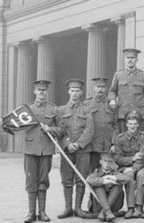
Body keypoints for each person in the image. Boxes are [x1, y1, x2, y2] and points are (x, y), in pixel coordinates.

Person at [22, 80, 62, 223]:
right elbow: (15, 126)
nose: (41, 93)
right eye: (39, 90)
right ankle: (31, 212)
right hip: (30, 150)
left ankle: (42, 212)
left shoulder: (54, 109)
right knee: (31, 180)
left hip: (46, 150)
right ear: (34, 92)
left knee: (43, 180)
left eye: (44, 90)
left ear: (47, 92)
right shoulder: (27, 109)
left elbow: (61, 130)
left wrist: (50, 129)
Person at [57, 79, 95, 219]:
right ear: (68, 91)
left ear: (81, 92)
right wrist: (67, 144)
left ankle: (78, 208)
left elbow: (89, 130)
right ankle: (68, 208)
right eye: (72, 90)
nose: (75, 93)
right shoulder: (60, 110)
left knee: (81, 179)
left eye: (77, 91)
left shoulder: (87, 109)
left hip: (83, 150)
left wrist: (78, 144)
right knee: (67, 179)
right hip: (67, 150)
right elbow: (59, 131)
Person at [110, 110, 144, 218]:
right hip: (125, 168)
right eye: (130, 124)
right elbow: (117, 158)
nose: (132, 126)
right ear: (126, 124)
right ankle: (130, 208)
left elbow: (142, 157)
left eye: (135, 124)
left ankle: (139, 207)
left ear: (139, 124)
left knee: (141, 175)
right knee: (129, 176)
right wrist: (132, 158)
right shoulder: (119, 138)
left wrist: (133, 168)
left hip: (140, 167)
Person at [108, 48, 144, 132]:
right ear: (124, 59)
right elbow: (112, 90)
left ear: (136, 60)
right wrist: (112, 99)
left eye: (132, 58)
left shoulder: (143, 75)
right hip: (123, 113)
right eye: (128, 58)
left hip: (140, 114)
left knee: (140, 141)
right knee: (123, 139)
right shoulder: (118, 75)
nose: (130, 60)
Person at [85, 78, 118, 180]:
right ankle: (93, 196)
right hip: (93, 145)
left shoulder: (111, 105)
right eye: (98, 87)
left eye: (102, 87)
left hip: (107, 146)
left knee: (108, 174)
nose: (100, 89)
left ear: (106, 89)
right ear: (94, 88)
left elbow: (116, 125)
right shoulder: (87, 104)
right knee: (93, 174)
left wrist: (113, 143)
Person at [86, 154, 130, 222]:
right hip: (97, 206)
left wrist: (114, 178)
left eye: (109, 162)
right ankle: (108, 212)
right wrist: (103, 180)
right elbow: (88, 180)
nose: (107, 164)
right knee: (98, 186)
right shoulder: (97, 172)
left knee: (118, 186)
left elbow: (127, 179)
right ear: (101, 162)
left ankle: (104, 212)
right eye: (105, 161)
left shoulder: (114, 172)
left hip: (114, 206)